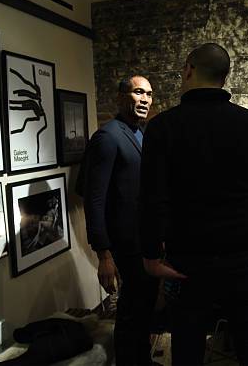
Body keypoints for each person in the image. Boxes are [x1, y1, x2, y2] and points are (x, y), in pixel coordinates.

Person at [140, 43, 248, 365]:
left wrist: (151, 256)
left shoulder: (162, 127)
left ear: (189, 69)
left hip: (187, 261)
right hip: (243, 256)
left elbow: (151, 198)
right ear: (225, 77)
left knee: (189, 351)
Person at [83, 75, 159, 365]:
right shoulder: (108, 137)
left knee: (143, 306)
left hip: (142, 240)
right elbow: (95, 199)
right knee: (132, 309)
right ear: (121, 97)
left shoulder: (139, 132)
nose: (145, 99)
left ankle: (141, 359)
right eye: (138, 92)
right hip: (124, 244)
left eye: (149, 94)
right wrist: (103, 255)